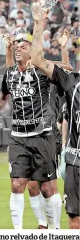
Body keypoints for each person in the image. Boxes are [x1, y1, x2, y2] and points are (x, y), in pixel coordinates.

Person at [0, 29, 62, 229]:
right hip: (18, 136)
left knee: (46, 187)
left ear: (32, 52)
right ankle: (18, 232)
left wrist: (57, 55)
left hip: (42, 134)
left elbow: (65, 68)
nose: (19, 49)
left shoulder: (41, 71)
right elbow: (2, 98)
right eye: (16, 47)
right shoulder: (9, 74)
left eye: (23, 47)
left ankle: (55, 229)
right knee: (17, 185)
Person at [30, 11, 79, 230]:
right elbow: (37, 60)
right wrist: (39, 23)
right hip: (76, 162)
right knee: (75, 220)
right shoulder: (72, 82)